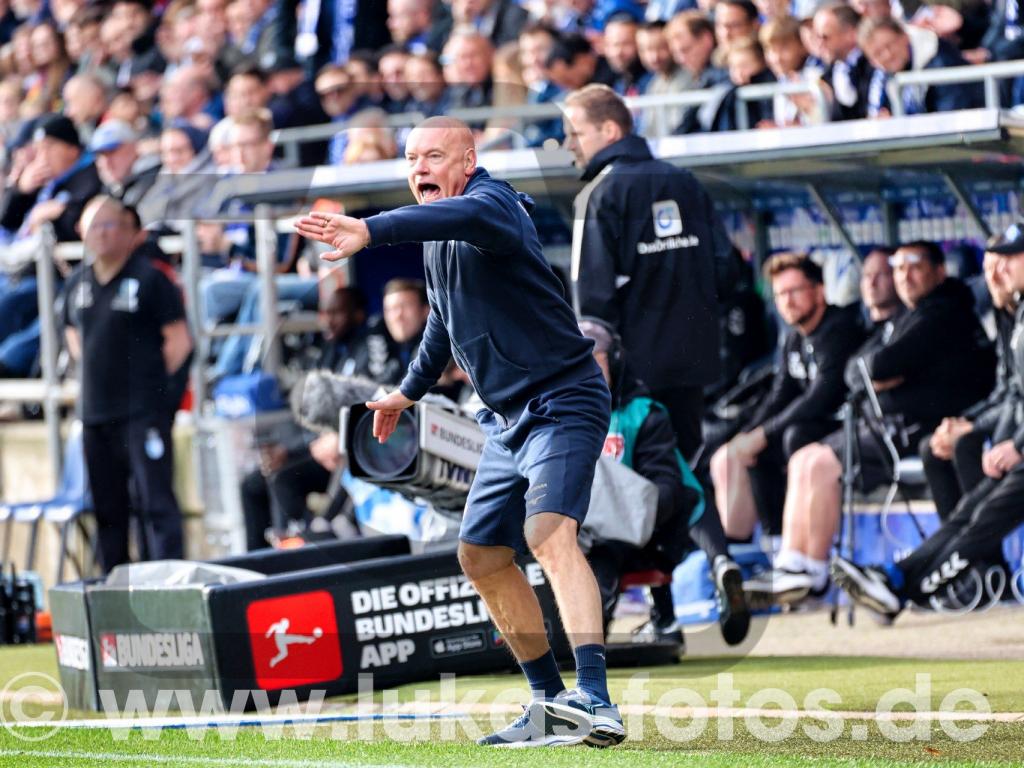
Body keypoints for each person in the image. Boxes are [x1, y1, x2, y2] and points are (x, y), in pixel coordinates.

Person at [295, 116, 625, 748]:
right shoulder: (437, 234)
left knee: (548, 534)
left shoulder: (493, 204)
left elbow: (462, 218)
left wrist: (369, 230)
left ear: (468, 162)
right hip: (504, 417)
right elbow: (441, 322)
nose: (419, 168)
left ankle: (597, 700)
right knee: (480, 556)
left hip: (562, 399)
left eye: (433, 156)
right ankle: (549, 704)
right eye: (411, 158)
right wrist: (406, 391)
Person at [751, 241, 995, 604]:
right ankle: (793, 563)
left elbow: (879, 366)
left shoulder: (943, 311)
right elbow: (856, 369)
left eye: (915, 266)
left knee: (818, 463)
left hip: (917, 427)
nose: (905, 276)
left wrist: (882, 377)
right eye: (899, 268)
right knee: (803, 457)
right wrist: (879, 377)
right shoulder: (905, 315)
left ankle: (814, 573)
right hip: (888, 424)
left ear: (940, 271)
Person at [832, 224, 1024, 619]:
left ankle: (907, 588)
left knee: (981, 519)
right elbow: (1011, 393)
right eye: (991, 265)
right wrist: (973, 425)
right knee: (969, 512)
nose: (996, 273)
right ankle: (896, 580)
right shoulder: (1014, 313)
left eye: (1009, 261)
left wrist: (1016, 445)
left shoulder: (957, 311)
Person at [565, 83, 734, 460]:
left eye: (576, 134)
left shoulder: (598, 194)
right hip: (695, 361)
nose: (568, 145)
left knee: (640, 479)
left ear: (610, 131)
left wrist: (598, 371)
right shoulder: (685, 181)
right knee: (689, 468)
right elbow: (726, 268)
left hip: (633, 373)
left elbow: (591, 300)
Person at [579, 317, 751, 647]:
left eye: (594, 362)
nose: (587, 373)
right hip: (596, 531)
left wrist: (628, 516)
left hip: (643, 530)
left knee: (623, 540)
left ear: (615, 361)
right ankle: (675, 608)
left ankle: (658, 614)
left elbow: (664, 489)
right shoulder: (564, 418)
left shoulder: (642, 413)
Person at [62, 195, 193, 573]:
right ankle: (116, 586)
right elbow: (73, 334)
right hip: (95, 414)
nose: (101, 234)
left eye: (110, 225)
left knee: (155, 502)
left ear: (129, 231)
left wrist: (151, 389)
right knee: (108, 508)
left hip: (142, 412)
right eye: (93, 226)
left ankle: (169, 582)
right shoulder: (76, 283)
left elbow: (179, 343)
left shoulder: (151, 278)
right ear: (81, 232)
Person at [710, 254, 864, 552]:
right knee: (738, 452)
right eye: (780, 294)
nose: (787, 301)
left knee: (789, 437)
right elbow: (779, 396)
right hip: (809, 424)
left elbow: (819, 398)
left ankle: (798, 549)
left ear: (819, 291)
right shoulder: (793, 338)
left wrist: (763, 434)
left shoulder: (839, 330)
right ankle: (750, 551)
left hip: (842, 426)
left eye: (794, 291)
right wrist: (749, 435)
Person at [240, 286, 368, 550]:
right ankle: (257, 560)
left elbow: (360, 409)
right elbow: (306, 412)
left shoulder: (367, 351)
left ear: (358, 315)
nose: (328, 320)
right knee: (251, 485)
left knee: (282, 479)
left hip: (346, 450)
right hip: (316, 446)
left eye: (337, 313)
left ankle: (307, 546)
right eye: (325, 313)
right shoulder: (327, 350)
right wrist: (287, 447)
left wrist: (291, 450)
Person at [920, 249, 1018, 521]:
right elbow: (1003, 391)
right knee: (933, 446)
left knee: (966, 443)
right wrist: (965, 420)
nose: (994, 278)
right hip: (1005, 419)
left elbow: (1017, 397)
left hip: (1016, 430)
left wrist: (973, 427)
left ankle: (977, 544)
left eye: (1002, 267)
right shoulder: (1004, 315)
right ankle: (963, 541)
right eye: (987, 270)